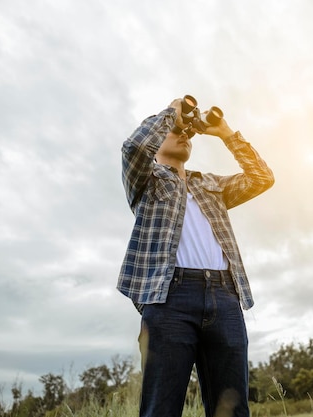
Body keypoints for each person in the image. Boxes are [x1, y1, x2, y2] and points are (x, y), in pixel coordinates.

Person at [117, 96, 274, 417]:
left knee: (231, 408)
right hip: (168, 299)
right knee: (161, 408)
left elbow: (262, 178)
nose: (184, 134)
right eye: (176, 132)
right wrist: (173, 113)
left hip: (225, 297)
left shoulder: (210, 184)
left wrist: (225, 132)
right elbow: (134, 147)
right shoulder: (146, 180)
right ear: (159, 139)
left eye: (188, 133)